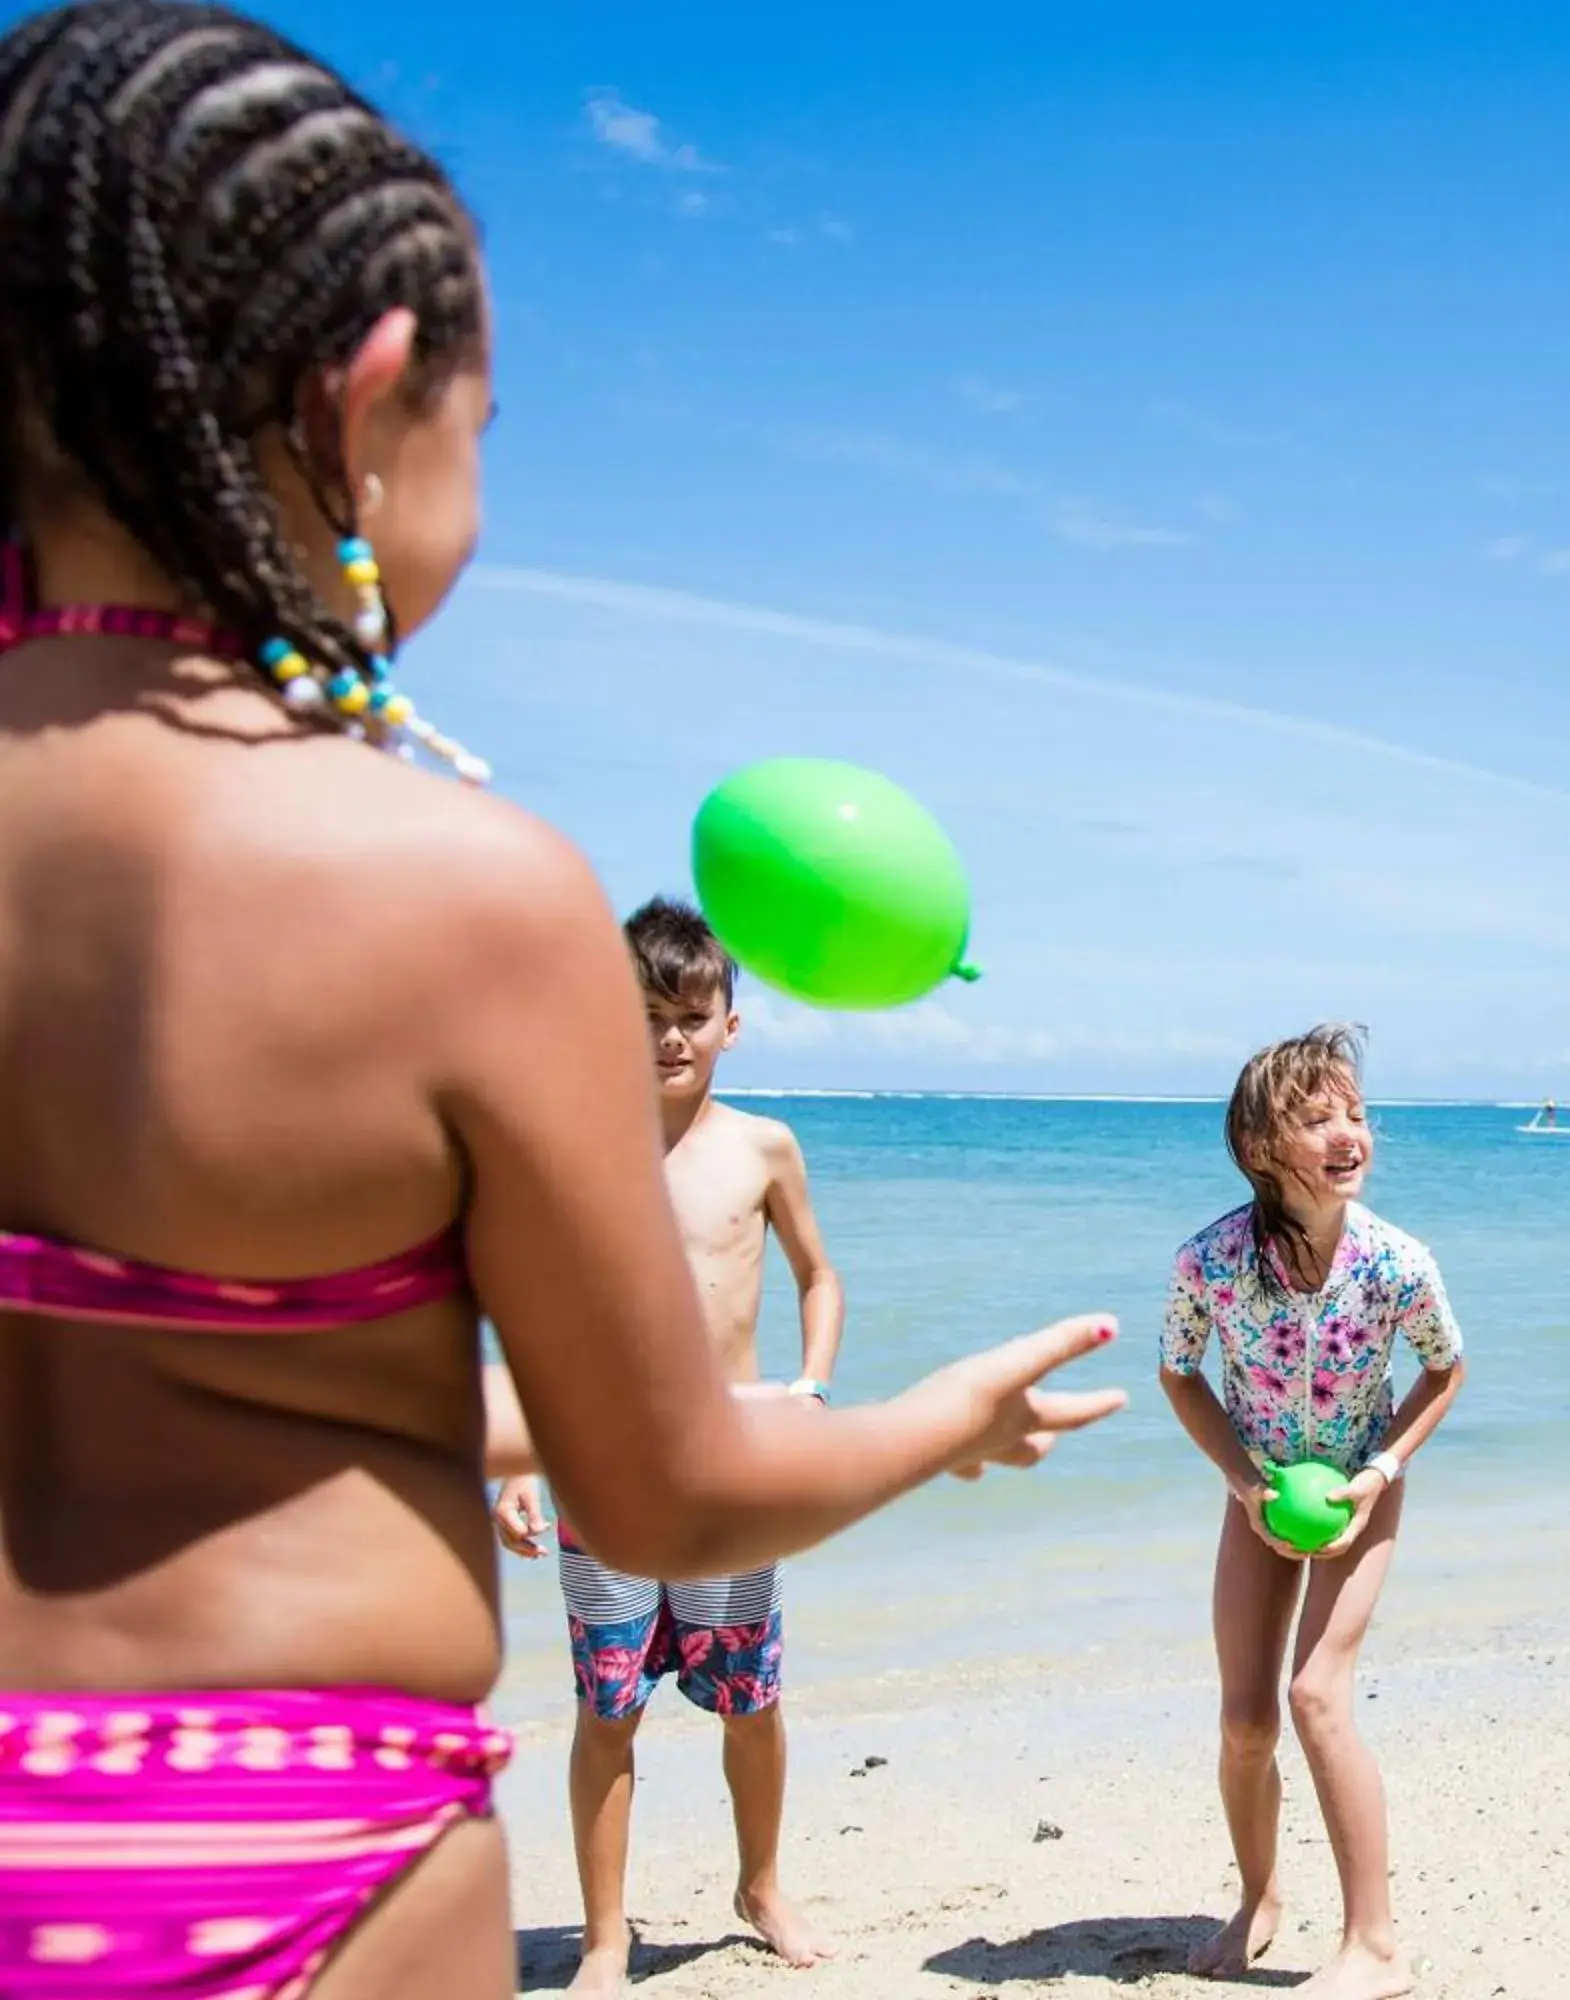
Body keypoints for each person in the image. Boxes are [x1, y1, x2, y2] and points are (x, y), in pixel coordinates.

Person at [0, 8, 1123, 1996]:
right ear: (361, 403)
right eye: (482, 431)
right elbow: (665, 1480)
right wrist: (938, 1413)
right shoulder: (452, 889)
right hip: (287, 1851)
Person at [491, 898, 848, 1991]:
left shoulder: (762, 1146)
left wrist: (811, 1386)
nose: (670, 1037)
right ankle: (605, 1936)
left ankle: (763, 1880)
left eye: (692, 1014)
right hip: (602, 1467)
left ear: (729, 1023)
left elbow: (817, 1275)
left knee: (751, 1697)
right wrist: (513, 1460)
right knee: (609, 1705)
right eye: (647, 1014)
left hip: (730, 1469)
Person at [1158, 1026, 1464, 2000]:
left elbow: (1445, 1365)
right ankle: (1258, 1897)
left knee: (1316, 1693)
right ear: (1260, 1148)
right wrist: (1246, 1484)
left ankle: (1374, 1942)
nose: (1348, 1132)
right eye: (1317, 1116)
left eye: (1356, 1112)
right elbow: (1178, 1368)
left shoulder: (1397, 1261)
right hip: (1259, 1492)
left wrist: (1378, 1470)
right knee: (1245, 1720)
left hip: (1360, 1487)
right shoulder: (1210, 1260)